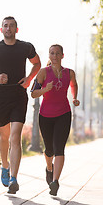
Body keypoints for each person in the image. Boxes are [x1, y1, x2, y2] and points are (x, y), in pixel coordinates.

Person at [0, 16, 41, 194]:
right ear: (1, 30)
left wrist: (29, 78)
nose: (8, 28)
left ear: (16, 29)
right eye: (5, 26)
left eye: (11, 26)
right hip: (1, 97)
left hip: (19, 96)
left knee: (15, 137)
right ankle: (4, 165)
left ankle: (14, 177)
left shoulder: (26, 47)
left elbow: (37, 63)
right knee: (3, 136)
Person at [30, 44, 80, 196]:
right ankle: (49, 169)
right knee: (49, 149)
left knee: (59, 148)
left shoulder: (69, 73)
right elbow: (33, 93)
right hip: (45, 115)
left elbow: (74, 84)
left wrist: (75, 98)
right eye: (52, 53)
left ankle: (55, 182)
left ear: (62, 56)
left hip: (63, 114)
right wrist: (45, 89)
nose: (55, 56)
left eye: (58, 53)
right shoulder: (43, 72)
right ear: (49, 56)